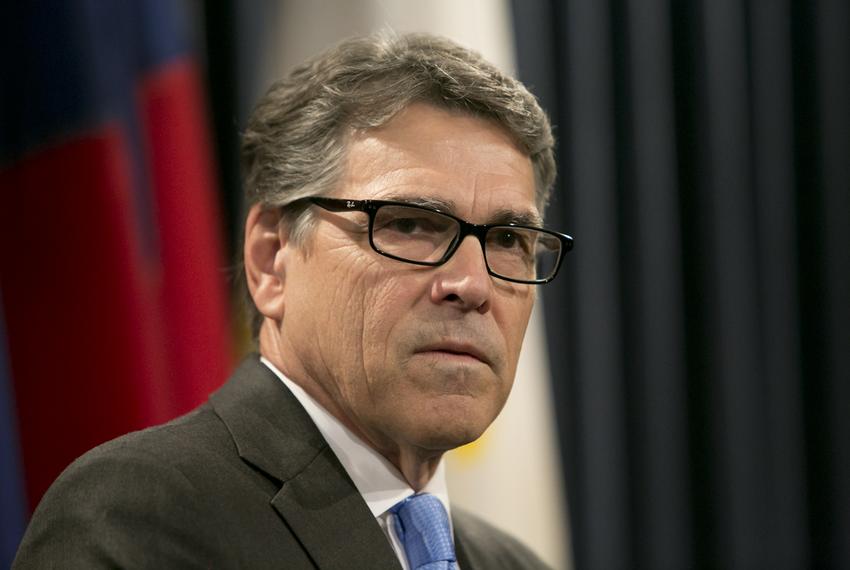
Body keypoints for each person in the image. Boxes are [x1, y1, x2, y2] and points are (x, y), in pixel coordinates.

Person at [13, 32, 572, 569]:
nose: (471, 285)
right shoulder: (140, 517)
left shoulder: (514, 563)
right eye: (409, 224)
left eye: (507, 241)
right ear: (271, 258)